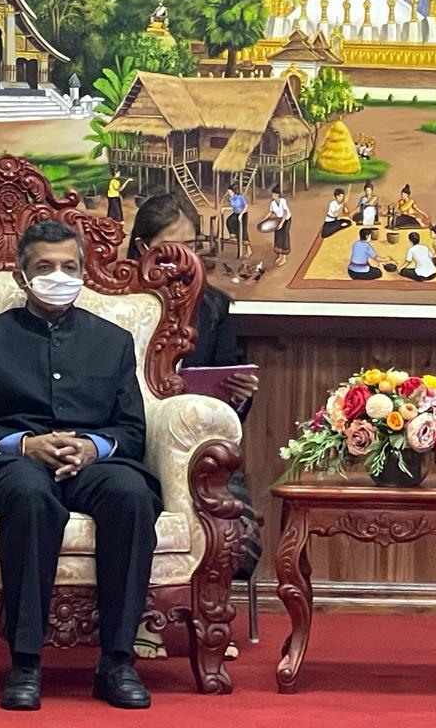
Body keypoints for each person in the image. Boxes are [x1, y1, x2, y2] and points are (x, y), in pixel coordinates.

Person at [0, 220, 162, 711]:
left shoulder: (113, 340)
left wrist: (91, 448)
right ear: (22, 277)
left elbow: (131, 431)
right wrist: (25, 445)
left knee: (130, 493)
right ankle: (25, 664)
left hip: (93, 461)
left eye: (69, 266)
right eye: (45, 267)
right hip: (13, 466)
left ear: (85, 272)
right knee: (30, 493)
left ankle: (118, 661)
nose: (58, 276)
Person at [126, 194, 263, 662]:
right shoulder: (115, 303)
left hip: (199, 450)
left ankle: (209, 620)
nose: (186, 260)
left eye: (193, 247)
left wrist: (238, 396)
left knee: (238, 534)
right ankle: (146, 619)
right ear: (143, 246)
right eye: (173, 247)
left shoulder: (215, 306)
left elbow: (227, 386)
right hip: (129, 442)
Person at [265, 185, 292, 267]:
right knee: (278, 236)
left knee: (284, 236)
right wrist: (264, 219)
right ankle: (280, 255)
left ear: (278, 195)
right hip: (278, 219)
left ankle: (284, 258)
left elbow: (285, 213)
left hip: (286, 219)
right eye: (272, 194)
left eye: (274, 194)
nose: (273, 196)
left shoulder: (283, 201)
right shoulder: (273, 203)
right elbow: (271, 212)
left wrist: (281, 223)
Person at [224, 183, 251, 256]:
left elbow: (245, 206)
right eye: (228, 192)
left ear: (234, 192)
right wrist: (225, 209)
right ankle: (233, 235)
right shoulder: (230, 199)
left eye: (230, 192)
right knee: (229, 221)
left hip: (243, 214)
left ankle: (248, 250)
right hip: (236, 213)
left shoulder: (240, 197)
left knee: (243, 230)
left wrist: (241, 214)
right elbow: (234, 208)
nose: (229, 194)